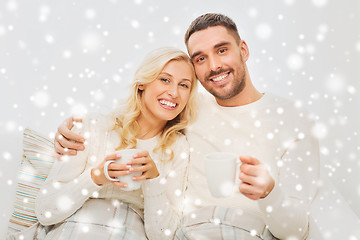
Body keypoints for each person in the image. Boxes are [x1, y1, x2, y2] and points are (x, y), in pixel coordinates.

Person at [54, 13, 319, 240]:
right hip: (188, 232)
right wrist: (71, 130)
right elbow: (135, 115)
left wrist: (270, 195)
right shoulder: (186, 106)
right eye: (200, 58)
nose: (214, 66)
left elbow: (295, 232)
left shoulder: (292, 121)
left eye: (222, 50)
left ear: (244, 50)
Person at [35, 47, 198, 240]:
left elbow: (164, 236)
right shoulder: (92, 128)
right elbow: (45, 212)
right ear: (142, 84)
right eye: (165, 79)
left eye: (184, 85)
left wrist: (154, 180)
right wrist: (97, 176)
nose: (173, 92)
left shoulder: (177, 148)